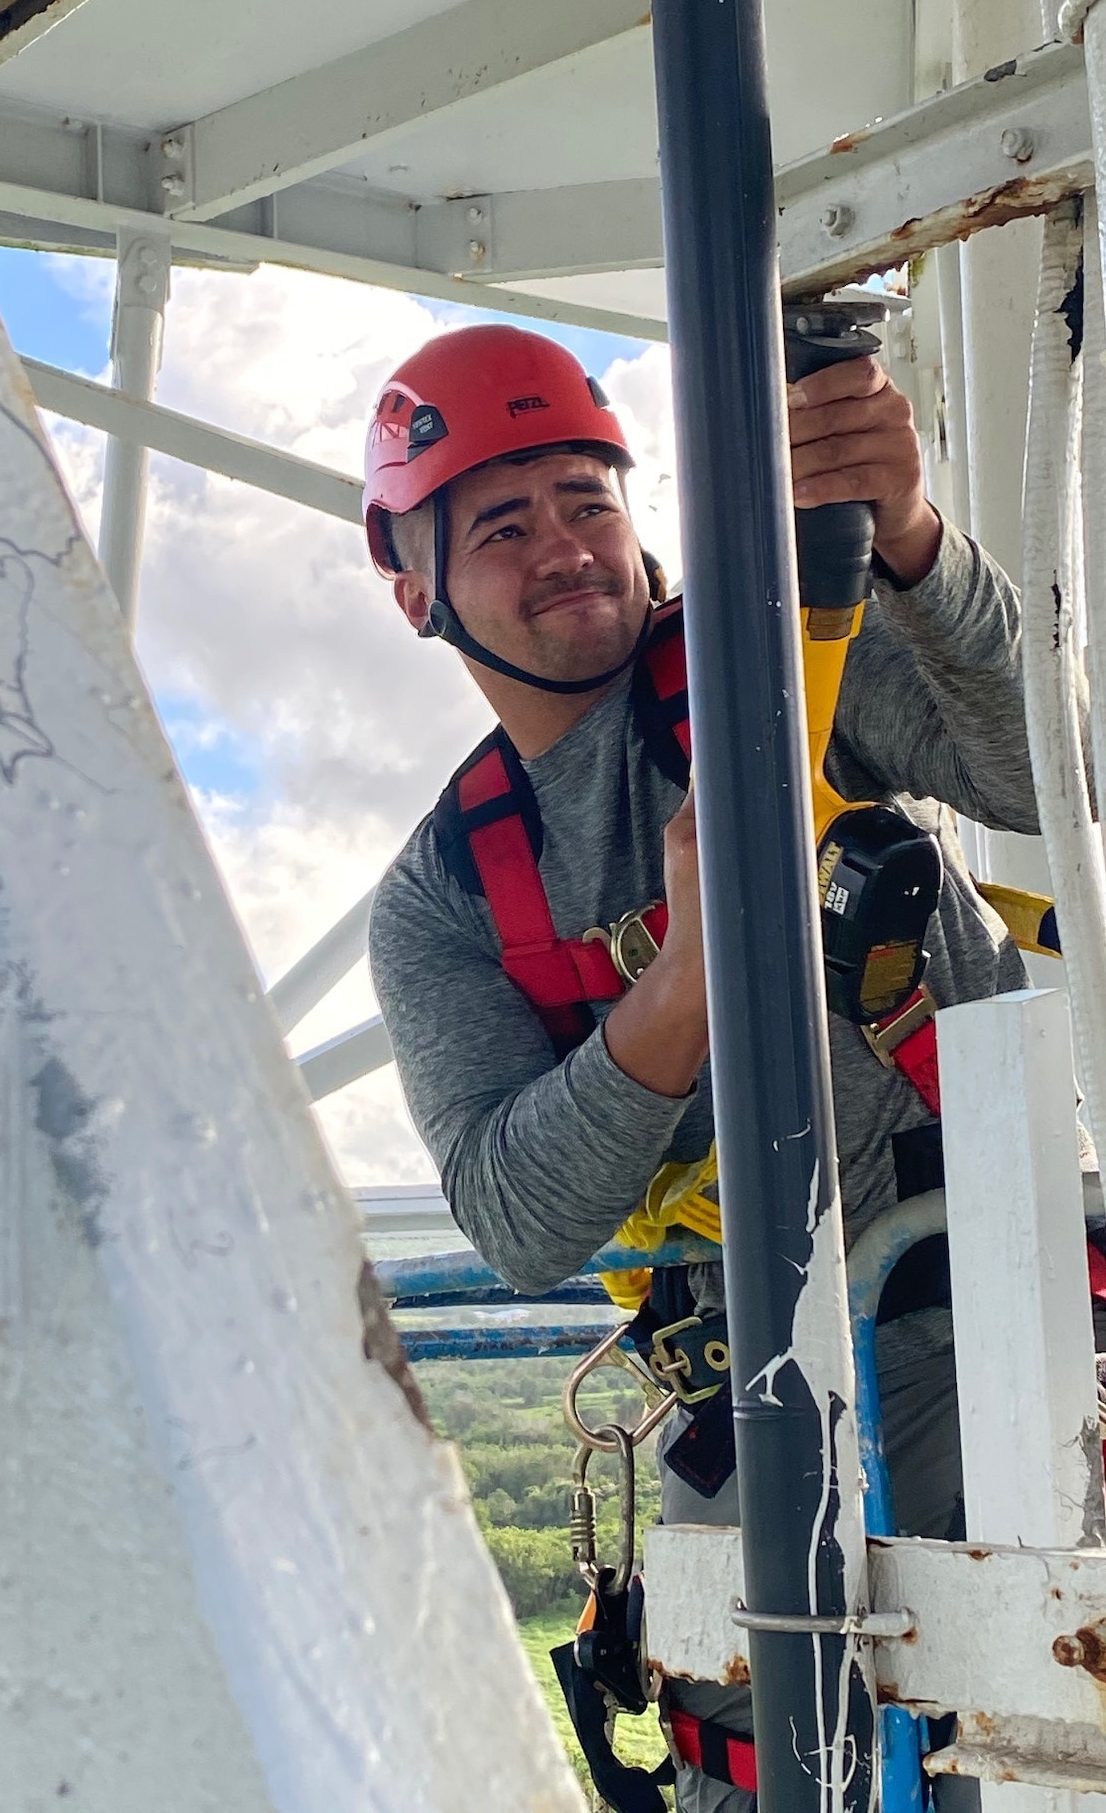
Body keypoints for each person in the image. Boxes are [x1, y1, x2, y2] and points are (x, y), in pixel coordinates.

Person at [363, 322, 1040, 1813]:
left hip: (1001, 1328)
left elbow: (1042, 769)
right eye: (502, 523)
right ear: (415, 587)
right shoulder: (448, 899)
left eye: (588, 499)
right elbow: (518, 1221)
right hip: (742, 1410)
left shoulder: (791, 667)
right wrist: (684, 986)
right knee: (763, 1771)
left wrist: (912, 539)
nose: (565, 547)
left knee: (1034, 1734)